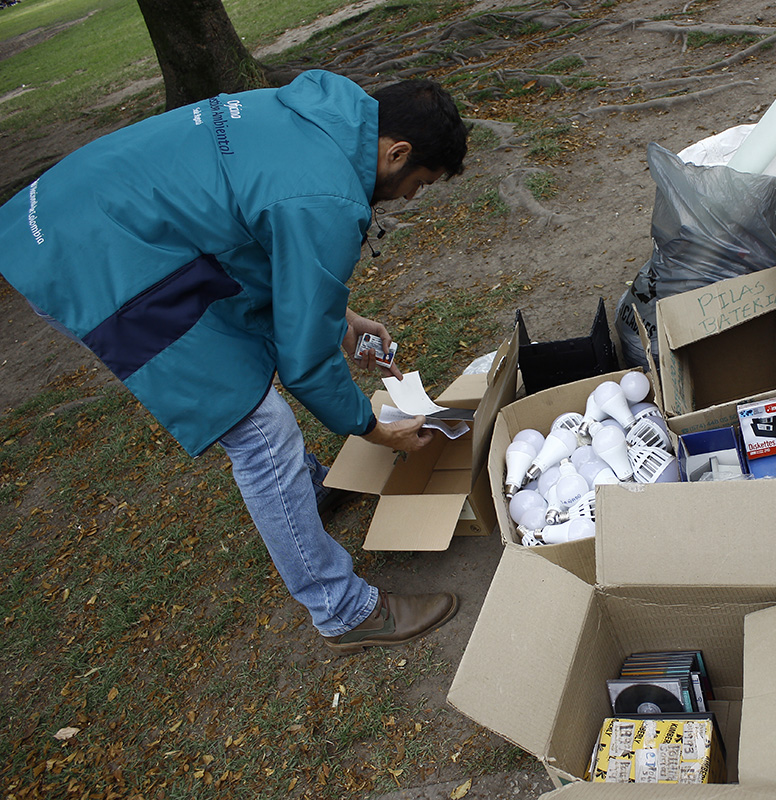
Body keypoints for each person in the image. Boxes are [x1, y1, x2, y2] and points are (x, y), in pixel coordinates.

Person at [0, 70, 469, 654]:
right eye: (416, 183)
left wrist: (344, 323)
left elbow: (255, 232)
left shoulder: (323, 114)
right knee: (259, 431)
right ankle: (343, 610)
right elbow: (304, 360)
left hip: (66, 209)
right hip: (93, 253)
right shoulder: (329, 196)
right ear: (395, 152)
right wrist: (374, 430)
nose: (408, 197)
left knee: (251, 374)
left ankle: (308, 490)